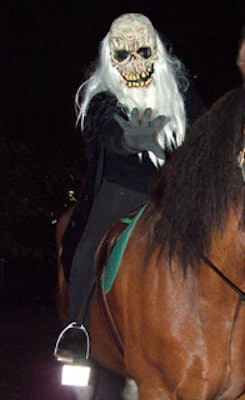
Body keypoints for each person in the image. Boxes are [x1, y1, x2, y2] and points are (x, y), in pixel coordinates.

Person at [60, 13, 205, 329]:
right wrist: (126, 140)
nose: (134, 63)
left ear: (157, 51)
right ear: (110, 58)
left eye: (142, 52)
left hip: (174, 192)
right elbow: (104, 130)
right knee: (86, 248)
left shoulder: (180, 94)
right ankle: (76, 328)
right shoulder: (103, 98)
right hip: (123, 190)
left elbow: (203, 132)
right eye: (123, 55)